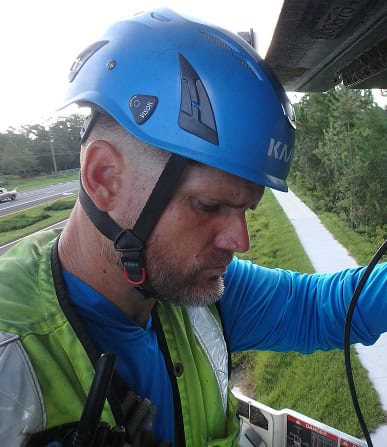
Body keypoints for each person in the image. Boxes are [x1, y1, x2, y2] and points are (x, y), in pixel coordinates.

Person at [0, 7, 385, 447]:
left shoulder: (186, 287)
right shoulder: (11, 354)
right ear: (105, 177)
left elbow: (317, 307)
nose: (239, 241)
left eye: (246, 210)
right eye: (209, 205)